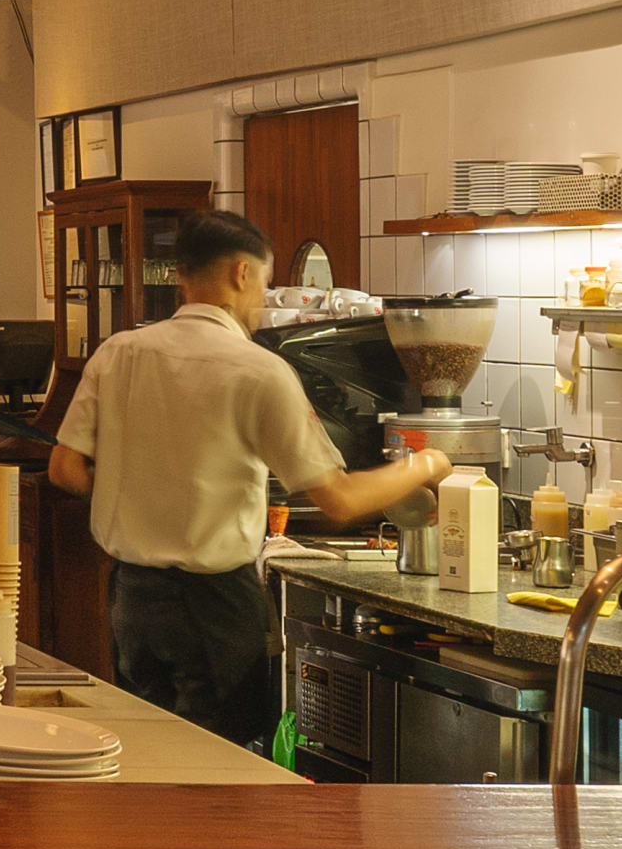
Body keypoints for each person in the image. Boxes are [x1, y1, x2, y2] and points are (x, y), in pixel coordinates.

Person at [48, 208, 452, 745]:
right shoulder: (257, 369)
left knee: (148, 757)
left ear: (184, 278)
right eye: (263, 283)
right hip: (211, 605)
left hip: (131, 601)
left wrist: (146, 489)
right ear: (241, 274)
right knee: (223, 770)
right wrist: (426, 464)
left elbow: (65, 468)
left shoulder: (118, 352)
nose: (262, 301)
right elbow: (338, 499)